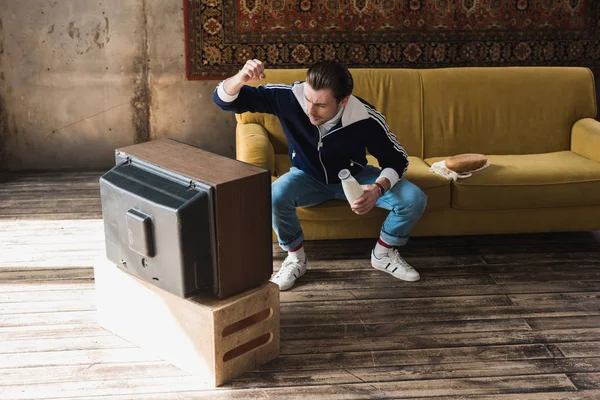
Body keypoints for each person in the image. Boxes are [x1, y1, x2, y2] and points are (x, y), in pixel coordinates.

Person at [213, 59, 427, 291]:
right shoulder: (290, 97)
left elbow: (397, 159)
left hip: (356, 179)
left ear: (343, 101)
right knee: (273, 195)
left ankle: (383, 254)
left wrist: (378, 189)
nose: (310, 110)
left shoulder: (366, 118)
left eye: (321, 105)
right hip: (306, 176)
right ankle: (296, 259)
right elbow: (223, 100)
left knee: (414, 198)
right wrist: (240, 78)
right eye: (308, 99)